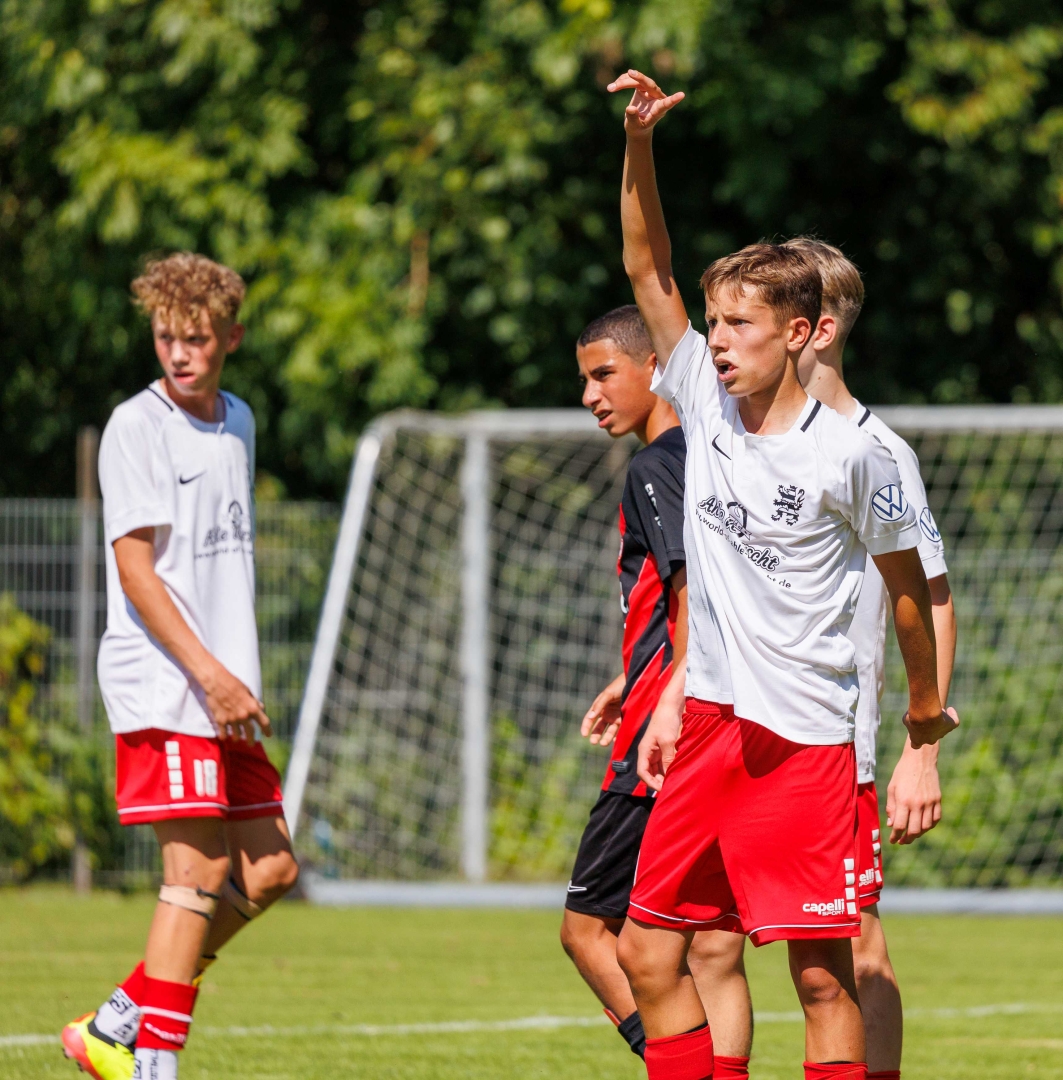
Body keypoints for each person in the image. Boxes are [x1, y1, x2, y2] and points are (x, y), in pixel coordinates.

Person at [606, 69, 960, 1080]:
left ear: (801, 334)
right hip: (712, 725)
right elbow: (645, 264)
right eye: (713, 323)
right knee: (646, 952)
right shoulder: (701, 400)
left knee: (821, 979)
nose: (715, 342)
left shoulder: (853, 456)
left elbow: (910, 594)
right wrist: (639, 145)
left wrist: (921, 725)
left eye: (740, 326)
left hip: (807, 739)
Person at [61, 254, 299, 1080]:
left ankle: (118, 1018)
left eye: (195, 338)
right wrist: (208, 674)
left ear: (231, 337)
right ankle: (151, 1065)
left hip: (223, 688)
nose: (178, 353)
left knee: (269, 869)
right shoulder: (137, 425)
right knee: (195, 874)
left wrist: (229, 678)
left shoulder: (239, 420)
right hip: (169, 683)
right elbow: (136, 572)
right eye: (166, 337)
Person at [561, 306, 753, 1076]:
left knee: (587, 932)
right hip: (717, 718)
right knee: (711, 947)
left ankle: (680, 1069)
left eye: (603, 374)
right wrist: (630, 673)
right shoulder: (714, 455)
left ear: (656, 369)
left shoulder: (658, 465)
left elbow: (686, 599)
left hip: (661, 734)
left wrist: (662, 694)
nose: (590, 395)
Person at [785, 237, 957, 1080]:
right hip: (740, 729)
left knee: (851, 945)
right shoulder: (750, 437)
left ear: (814, 329)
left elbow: (933, 596)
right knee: (703, 940)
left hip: (832, 743)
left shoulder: (877, 451)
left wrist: (921, 749)